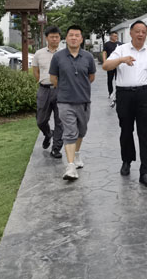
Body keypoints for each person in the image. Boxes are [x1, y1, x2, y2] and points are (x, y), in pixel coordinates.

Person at [103, 21, 147, 188]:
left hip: (144, 95)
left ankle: (146, 172)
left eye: (143, 31)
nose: (140, 34)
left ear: (146, 34)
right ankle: (127, 160)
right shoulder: (121, 50)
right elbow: (106, 66)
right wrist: (121, 60)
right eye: (137, 31)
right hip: (125, 95)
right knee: (126, 130)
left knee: (145, 134)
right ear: (130, 33)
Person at [49, 25, 96, 180]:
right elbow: (53, 79)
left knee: (81, 131)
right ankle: (70, 167)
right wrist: (66, 88)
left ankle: (76, 154)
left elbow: (91, 77)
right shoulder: (58, 57)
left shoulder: (88, 57)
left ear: (81, 39)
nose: (74, 38)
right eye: (71, 35)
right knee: (69, 133)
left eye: (77, 35)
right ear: (66, 38)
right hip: (64, 101)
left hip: (83, 101)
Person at [32, 26, 64, 158]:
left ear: (60, 38)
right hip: (44, 90)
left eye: (57, 37)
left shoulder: (64, 53)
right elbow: (35, 71)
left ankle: (56, 148)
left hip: (61, 91)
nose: (54, 39)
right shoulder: (39, 53)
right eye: (52, 37)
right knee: (41, 120)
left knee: (60, 121)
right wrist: (42, 81)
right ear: (47, 38)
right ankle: (48, 134)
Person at [102, 31, 122, 106]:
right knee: (110, 79)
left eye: (116, 36)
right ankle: (110, 93)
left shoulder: (120, 44)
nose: (116, 37)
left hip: (118, 64)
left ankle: (117, 93)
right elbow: (104, 53)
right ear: (111, 36)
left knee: (118, 79)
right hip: (110, 64)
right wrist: (105, 62)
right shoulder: (107, 44)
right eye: (114, 36)